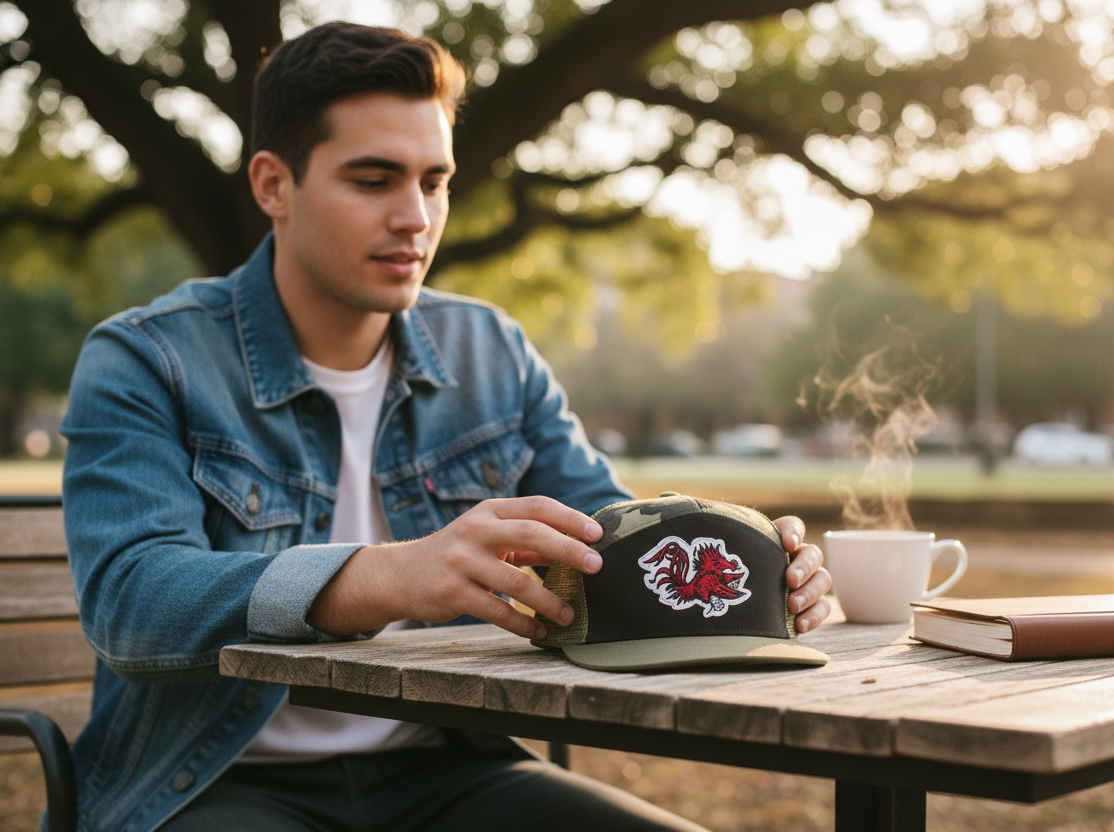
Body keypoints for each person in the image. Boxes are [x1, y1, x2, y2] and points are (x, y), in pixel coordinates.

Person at [59, 20, 833, 832]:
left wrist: (745, 563)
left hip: (449, 770)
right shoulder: (147, 359)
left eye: (434, 181)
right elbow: (131, 600)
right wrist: (390, 576)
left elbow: (609, 538)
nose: (415, 217)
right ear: (272, 185)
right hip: (210, 785)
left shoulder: (490, 349)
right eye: (373, 180)